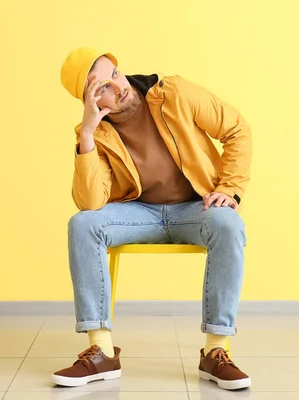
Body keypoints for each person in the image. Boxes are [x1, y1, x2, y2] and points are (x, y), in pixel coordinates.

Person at [53, 47, 253, 391]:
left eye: (114, 74)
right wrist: (86, 133)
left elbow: (236, 128)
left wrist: (230, 189)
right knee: (82, 224)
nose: (118, 88)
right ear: (88, 102)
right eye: (101, 89)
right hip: (139, 213)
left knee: (229, 223)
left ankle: (215, 353)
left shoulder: (173, 93)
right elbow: (90, 202)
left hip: (195, 209)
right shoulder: (96, 134)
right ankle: (101, 351)